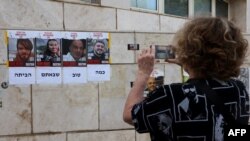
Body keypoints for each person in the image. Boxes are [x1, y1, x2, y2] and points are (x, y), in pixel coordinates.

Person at [123, 17, 249, 141]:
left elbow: (130, 115)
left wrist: (143, 73)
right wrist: (189, 64)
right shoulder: (239, 89)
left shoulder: (171, 95)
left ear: (189, 50)